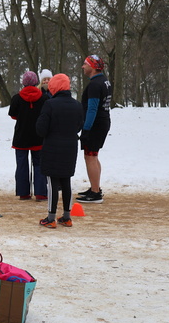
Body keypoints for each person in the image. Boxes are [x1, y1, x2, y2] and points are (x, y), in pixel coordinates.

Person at [36, 74, 84, 227]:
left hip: (52, 146)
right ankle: (67, 216)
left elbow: (41, 129)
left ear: (54, 87)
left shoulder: (50, 104)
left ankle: (51, 218)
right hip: (70, 146)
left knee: (52, 182)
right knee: (66, 181)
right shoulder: (77, 105)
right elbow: (79, 126)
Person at [77, 55, 112, 204]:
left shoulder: (94, 85)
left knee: (90, 157)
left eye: (85, 64)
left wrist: (86, 129)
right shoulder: (105, 81)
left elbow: (92, 109)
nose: (82, 66)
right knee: (94, 156)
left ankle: (95, 193)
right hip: (103, 121)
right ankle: (95, 187)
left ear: (93, 67)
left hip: (95, 124)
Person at [8, 71, 48, 201]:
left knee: (22, 164)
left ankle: (23, 192)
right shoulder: (44, 98)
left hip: (21, 136)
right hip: (39, 136)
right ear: (37, 81)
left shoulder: (16, 98)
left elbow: (13, 115)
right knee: (39, 164)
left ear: (23, 82)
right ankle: (41, 192)